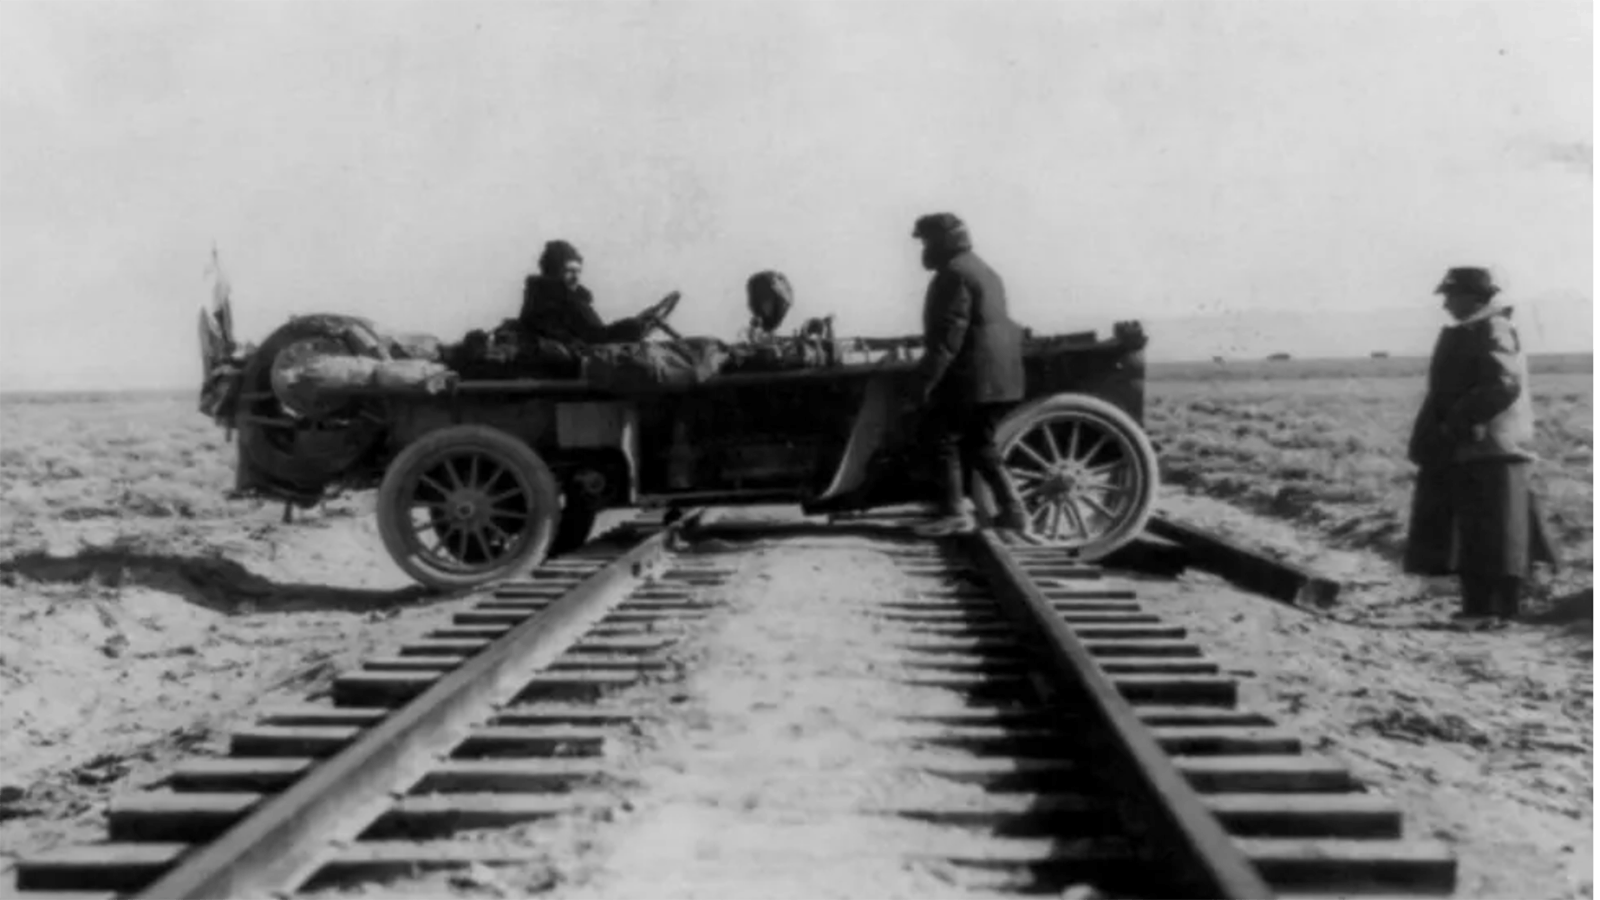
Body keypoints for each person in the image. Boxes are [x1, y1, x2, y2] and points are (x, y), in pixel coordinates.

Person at [1403, 266, 1557, 623]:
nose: (1446, 304)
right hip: (1481, 447)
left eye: (1451, 296)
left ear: (1473, 297)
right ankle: (1484, 608)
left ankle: (1493, 610)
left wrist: (1461, 422)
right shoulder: (1482, 328)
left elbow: (1502, 384)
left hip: (1492, 447)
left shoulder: (1492, 328)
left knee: (1494, 534)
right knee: (1483, 533)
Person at [908, 212, 1032, 536]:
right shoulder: (982, 269)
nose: (924, 249)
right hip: (1001, 377)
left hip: (974, 378)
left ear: (943, 241)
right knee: (981, 444)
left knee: (942, 437)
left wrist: (923, 384)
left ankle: (954, 514)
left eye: (927, 241)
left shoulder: (953, 274)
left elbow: (948, 338)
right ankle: (1014, 512)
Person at [518, 240, 676, 347]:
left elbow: (595, 335)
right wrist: (633, 326)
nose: (576, 277)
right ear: (553, 271)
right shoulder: (554, 302)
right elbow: (595, 338)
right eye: (569, 271)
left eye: (578, 272)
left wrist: (636, 324)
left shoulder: (560, 298)